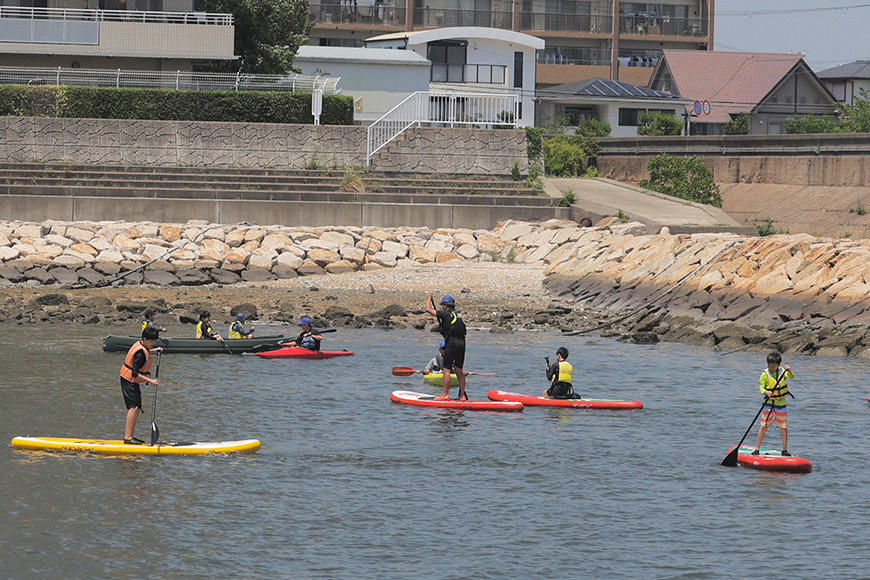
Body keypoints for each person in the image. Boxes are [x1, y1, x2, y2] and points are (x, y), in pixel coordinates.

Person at [120, 326, 163, 444]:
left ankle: (130, 436)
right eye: (151, 341)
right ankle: (128, 438)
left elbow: (146, 352)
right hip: (129, 380)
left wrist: (155, 351)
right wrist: (151, 381)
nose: (153, 343)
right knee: (133, 407)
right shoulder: (140, 353)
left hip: (131, 380)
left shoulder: (143, 346)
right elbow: (134, 372)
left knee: (137, 408)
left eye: (154, 341)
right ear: (144, 339)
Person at [425, 292, 467, 401]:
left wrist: (429, 297)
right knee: (459, 370)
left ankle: (445, 395)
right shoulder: (458, 315)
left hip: (451, 344)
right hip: (462, 344)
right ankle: (462, 396)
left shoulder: (445, 314)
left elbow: (428, 309)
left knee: (447, 369)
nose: (442, 307)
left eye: (442, 305)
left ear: (445, 305)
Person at [753, 351, 794, 456]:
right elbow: (761, 388)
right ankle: (757, 448)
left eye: (773, 366)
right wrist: (766, 392)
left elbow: (792, 376)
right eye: (769, 366)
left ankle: (784, 450)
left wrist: (789, 371)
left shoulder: (782, 372)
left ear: (778, 365)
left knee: (783, 427)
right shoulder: (765, 374)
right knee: (764, 426)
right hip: (768, 404)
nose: (771, 368)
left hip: (781, 403)